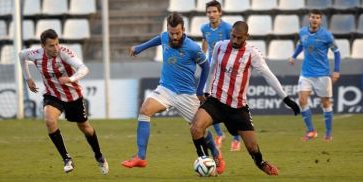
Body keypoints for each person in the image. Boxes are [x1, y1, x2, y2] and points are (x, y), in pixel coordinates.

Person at [190, 21, 300, 176]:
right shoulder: (219, 46)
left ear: (247, 36)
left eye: (239, 38)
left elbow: (268, 75)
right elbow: (213, 66)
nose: (235, 40)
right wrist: (207, 91)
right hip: (216, 101)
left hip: (238, 108)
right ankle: (205, 162)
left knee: (253, 148)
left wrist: (286, 99)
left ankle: (261, 163)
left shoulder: (252, 53)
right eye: (233, 36)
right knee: (195, 128)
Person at [121, 12, 225, 174]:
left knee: (199, 129)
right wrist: (140, 48)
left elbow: (205, 67)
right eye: (171, 33)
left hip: (186, 94)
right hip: (166, 89)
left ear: (183, 30)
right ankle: (141, 157)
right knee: (145, 110)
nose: (174, 36)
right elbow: (158, 38)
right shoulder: (165, 37)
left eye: (177, 33)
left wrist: (200, 90)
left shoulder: (192, 47)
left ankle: (216, 154)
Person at [18, 29, 109, 174]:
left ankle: (99, 156)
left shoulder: (64, 53)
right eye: (51, 46)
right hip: (52, 94)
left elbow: (83, 68)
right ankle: (67, 159)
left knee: (85, 127)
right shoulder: (35, 54)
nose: (55, 48)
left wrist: (70, 79)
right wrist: (28, 78)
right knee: (49, 120)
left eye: (57, 44)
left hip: (72, 95)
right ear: (43, 46)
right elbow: (21, 55)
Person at [288, 9, 341, 141]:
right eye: (313, 17)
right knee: (302, 100)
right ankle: (311, 131)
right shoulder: (303, 32)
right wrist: (294, 56)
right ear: (309, 18)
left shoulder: (327, 35)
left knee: (325, 103)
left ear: (320, 20)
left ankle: (328, 133)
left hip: (322, 74)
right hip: (306, 73)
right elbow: (301, 45)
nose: (315, 19)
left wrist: (336, 70)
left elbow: (337, 52)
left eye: (317, 17)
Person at [201, 0, 241, 151]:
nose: (211, 15)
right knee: (207, 102)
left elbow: (235, 47)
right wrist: (202, 58)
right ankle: (219, 134)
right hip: (212, 71)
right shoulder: (204, 28)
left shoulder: (228, 28)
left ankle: (236, 138)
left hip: (226, 71)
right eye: (209, 12)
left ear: (220, 13)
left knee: (230, 105)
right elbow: (205, 43)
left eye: (214, 12)